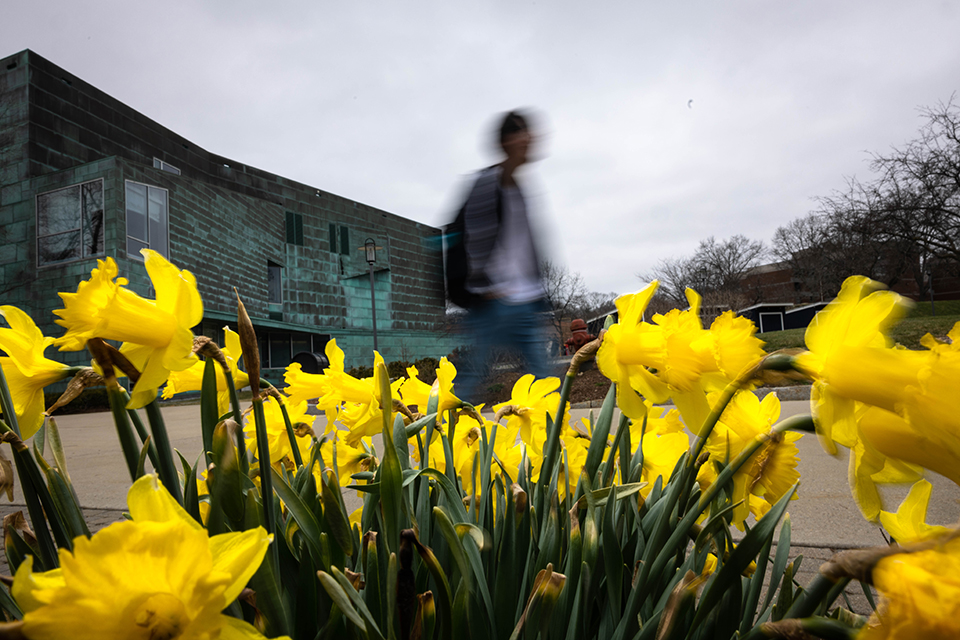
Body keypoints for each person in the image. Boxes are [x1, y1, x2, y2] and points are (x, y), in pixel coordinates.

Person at [454, 110, 551, 403]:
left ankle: (553, 444)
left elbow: (523, 248)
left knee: (544, 384)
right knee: (471, 379)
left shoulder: (519, 189)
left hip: (524, 302)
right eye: (522, 132)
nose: (530, 138)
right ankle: (442, 434)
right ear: (506, 141)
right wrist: (483, 288)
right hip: (494, 304)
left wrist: (537, 292)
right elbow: (473, 238)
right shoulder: (487, 184)